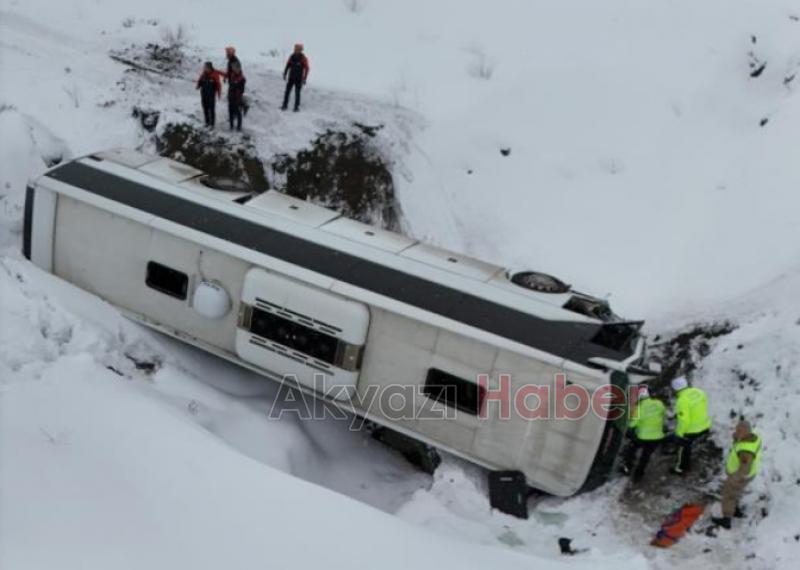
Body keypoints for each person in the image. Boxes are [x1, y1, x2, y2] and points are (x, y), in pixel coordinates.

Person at [712, 421, 762, 529]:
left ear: (745, 432)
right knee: (737, 492)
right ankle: (736, 510)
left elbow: (744, 469)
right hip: (748, 475)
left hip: (739, 476)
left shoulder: (745, 451)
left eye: (739, 431)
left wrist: (734, 478)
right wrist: (737, 438)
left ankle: (726, 519)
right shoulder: (754, 438)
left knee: (728, 494)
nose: (736, 432)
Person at [621, 386, 666, 482]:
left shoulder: (638, 408)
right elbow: (662, 412)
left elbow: (632, 424)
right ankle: (638, 475)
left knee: (631, 449)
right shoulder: (659, 404)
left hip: (643, 437)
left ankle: (627, 468)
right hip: (657, 437)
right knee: (646, 456)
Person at [670, 376, 712, 475]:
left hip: (692, 430)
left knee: (683, 448)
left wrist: (679, 434)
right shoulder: (699, 392)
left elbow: (684, 421)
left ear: (675, 389)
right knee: (687, 445)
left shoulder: (682, 400)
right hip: (705, 425)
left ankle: (681, 468)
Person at [282, 43, 310, 112]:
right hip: (291, 77)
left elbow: (307, 68)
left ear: (301, 50)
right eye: (295, 49)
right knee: (287, 92)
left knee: (297, 93)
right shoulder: (292, 56)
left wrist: (304, 79)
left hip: (299, 79)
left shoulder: (303, 58)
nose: (296, 50)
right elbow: (288, 65)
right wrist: (285, 74)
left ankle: (296, 107)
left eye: (298, 49)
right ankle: (284, 105)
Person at [196, 62, 223, 127]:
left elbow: (218, 85)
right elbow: (200, 81)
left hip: (211, 96)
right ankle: (207, 122)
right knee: (205, 109)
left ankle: (212, 124)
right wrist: (198, 85)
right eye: (204, 67)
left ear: (209, 68)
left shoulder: (214, 75)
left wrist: (219, 93)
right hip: (204, 95)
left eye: (205, 67)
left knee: (211, 110)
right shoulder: (203, 75)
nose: (204, 68)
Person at [227, 62, 246, 131]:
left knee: (238, 113)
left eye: (235, 67)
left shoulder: (242, 78)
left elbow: (241, 90)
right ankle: (231, 126)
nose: (233, 69)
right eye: (233, 68)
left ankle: (239, 127)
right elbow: (230, 86)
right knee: (230, 112)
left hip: (237, 99)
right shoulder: (232, 75)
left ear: (239, 68)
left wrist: (237, 98)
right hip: (230, 97)